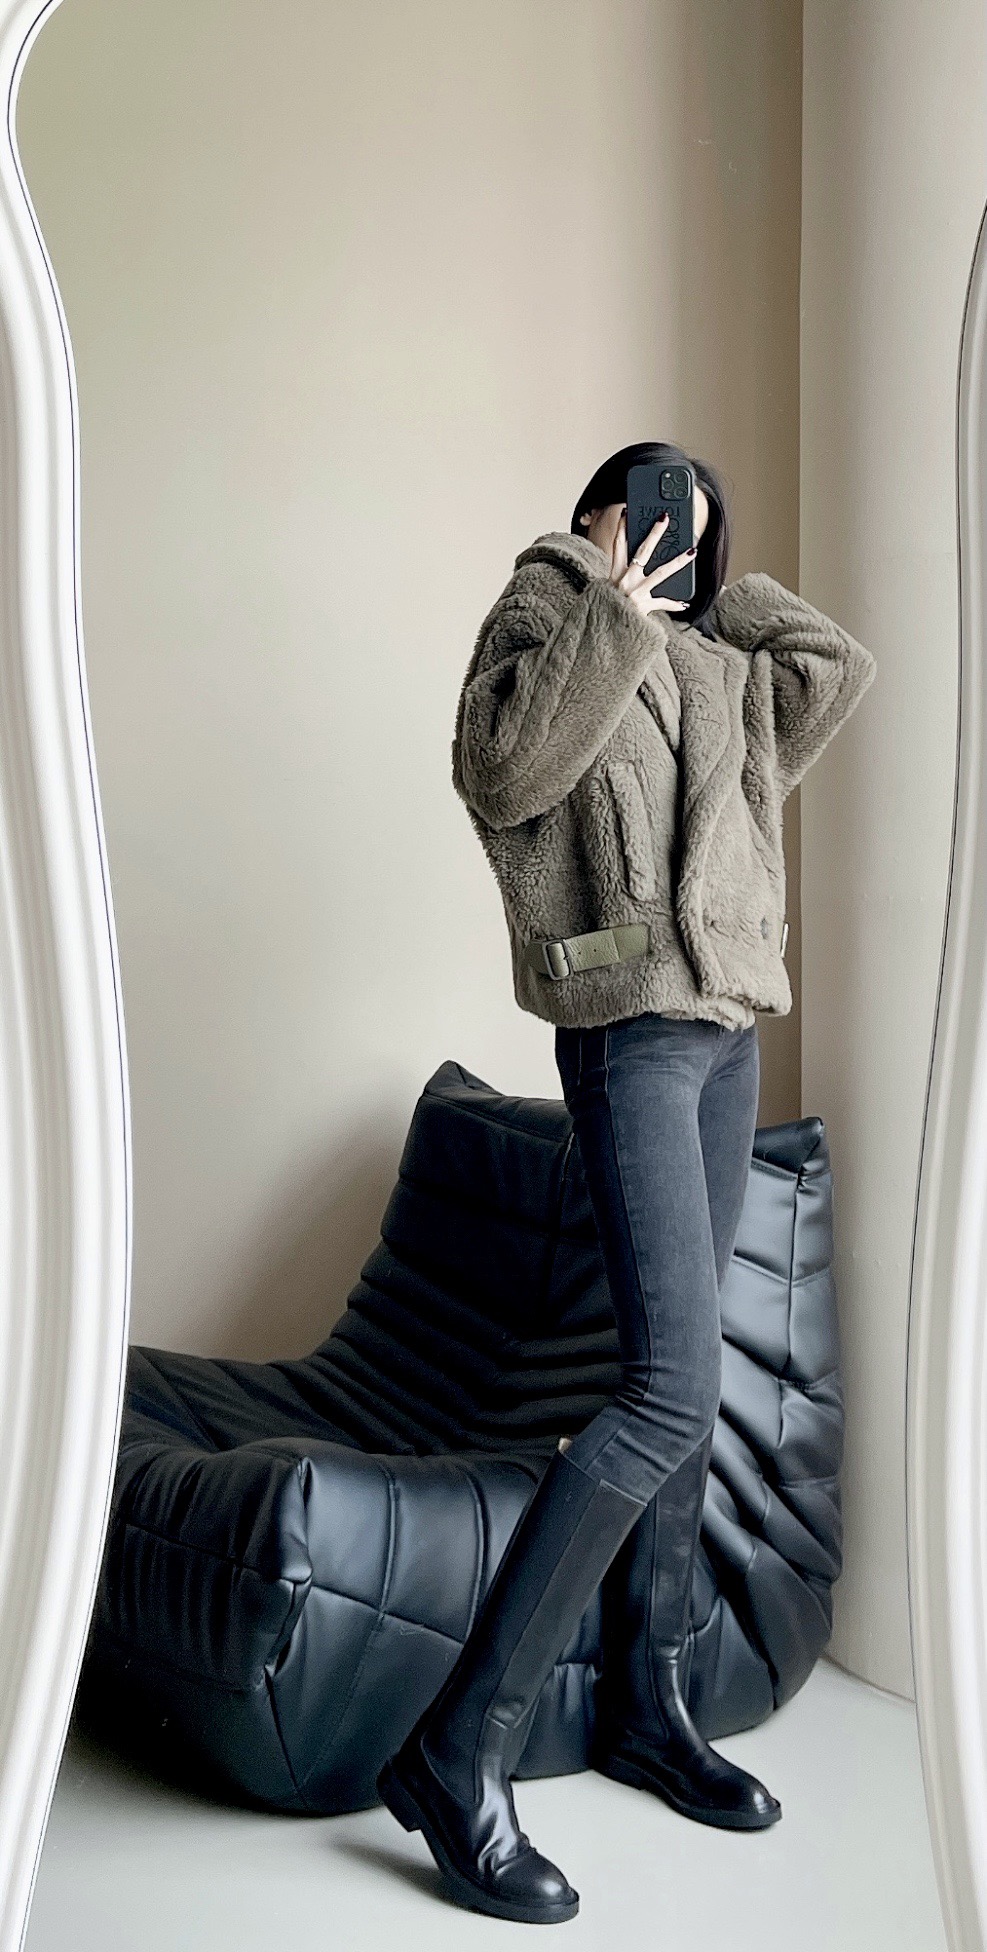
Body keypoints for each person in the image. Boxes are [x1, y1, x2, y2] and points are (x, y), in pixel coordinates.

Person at [376, 440, 877, 1925]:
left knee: (688, 1385)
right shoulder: (545, 614)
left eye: (693, 526)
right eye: (649, 507)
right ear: (596, 511)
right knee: (663, 1393)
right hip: (628, 1029)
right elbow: (501, 775)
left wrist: (722, 597)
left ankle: (651, 1706)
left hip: (726, 1033)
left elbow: (834, 674)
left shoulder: (717, 665)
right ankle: (458, 1752)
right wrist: (606, 597)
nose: (670, 535)